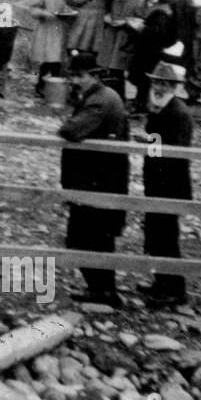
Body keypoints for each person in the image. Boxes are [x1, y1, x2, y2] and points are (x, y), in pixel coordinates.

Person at [57, 52, 130, 307]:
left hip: (99, 181)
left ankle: (106, 293)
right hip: (95, 178)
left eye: (81, 76)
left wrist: (70, 119)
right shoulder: (97, 96)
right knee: (88, 237)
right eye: (73, 75)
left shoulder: (100, 101)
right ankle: (99, 290)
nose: (75, 80)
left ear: (95, 76)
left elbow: (71, 130)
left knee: (93, 237)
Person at [136, 61, 193, 308]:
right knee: (155, 236)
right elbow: (158, 139)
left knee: (167, 238)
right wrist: (151, 139)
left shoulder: (178, 112)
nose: (158, 87)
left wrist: (149, 140)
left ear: (173, 87)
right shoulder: (159, 108)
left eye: (164, 84)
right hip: (156, 182)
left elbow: (174, 150)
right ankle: (161, 283)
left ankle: (175, 290)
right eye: (156, 82)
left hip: (170, 184)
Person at [128, 0, 176, 115]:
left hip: (152, 49)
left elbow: (159, 33)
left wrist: (142, 28)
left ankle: (142, 106)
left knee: (144, 78)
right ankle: (140, 103)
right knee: (139, 76)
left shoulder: (163, 11)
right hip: (142, 47)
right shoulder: (147, 6)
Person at [27, 0, 72, 96]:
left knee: (57, 57)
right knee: (49, 57)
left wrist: (67, 11)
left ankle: (52, 87)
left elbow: (68, 6)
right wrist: (43, 13)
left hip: (60, 26)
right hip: (46, 27)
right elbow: (33, 8)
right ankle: (42, 86)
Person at [100, 0, 145, 100]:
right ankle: (109, 97)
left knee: (118, 70)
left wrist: (125, 22)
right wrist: (107, 16)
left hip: (126, 36)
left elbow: (141, 19)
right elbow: (106, 9)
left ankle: (120, 99)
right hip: (112, 34)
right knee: (108, 67)